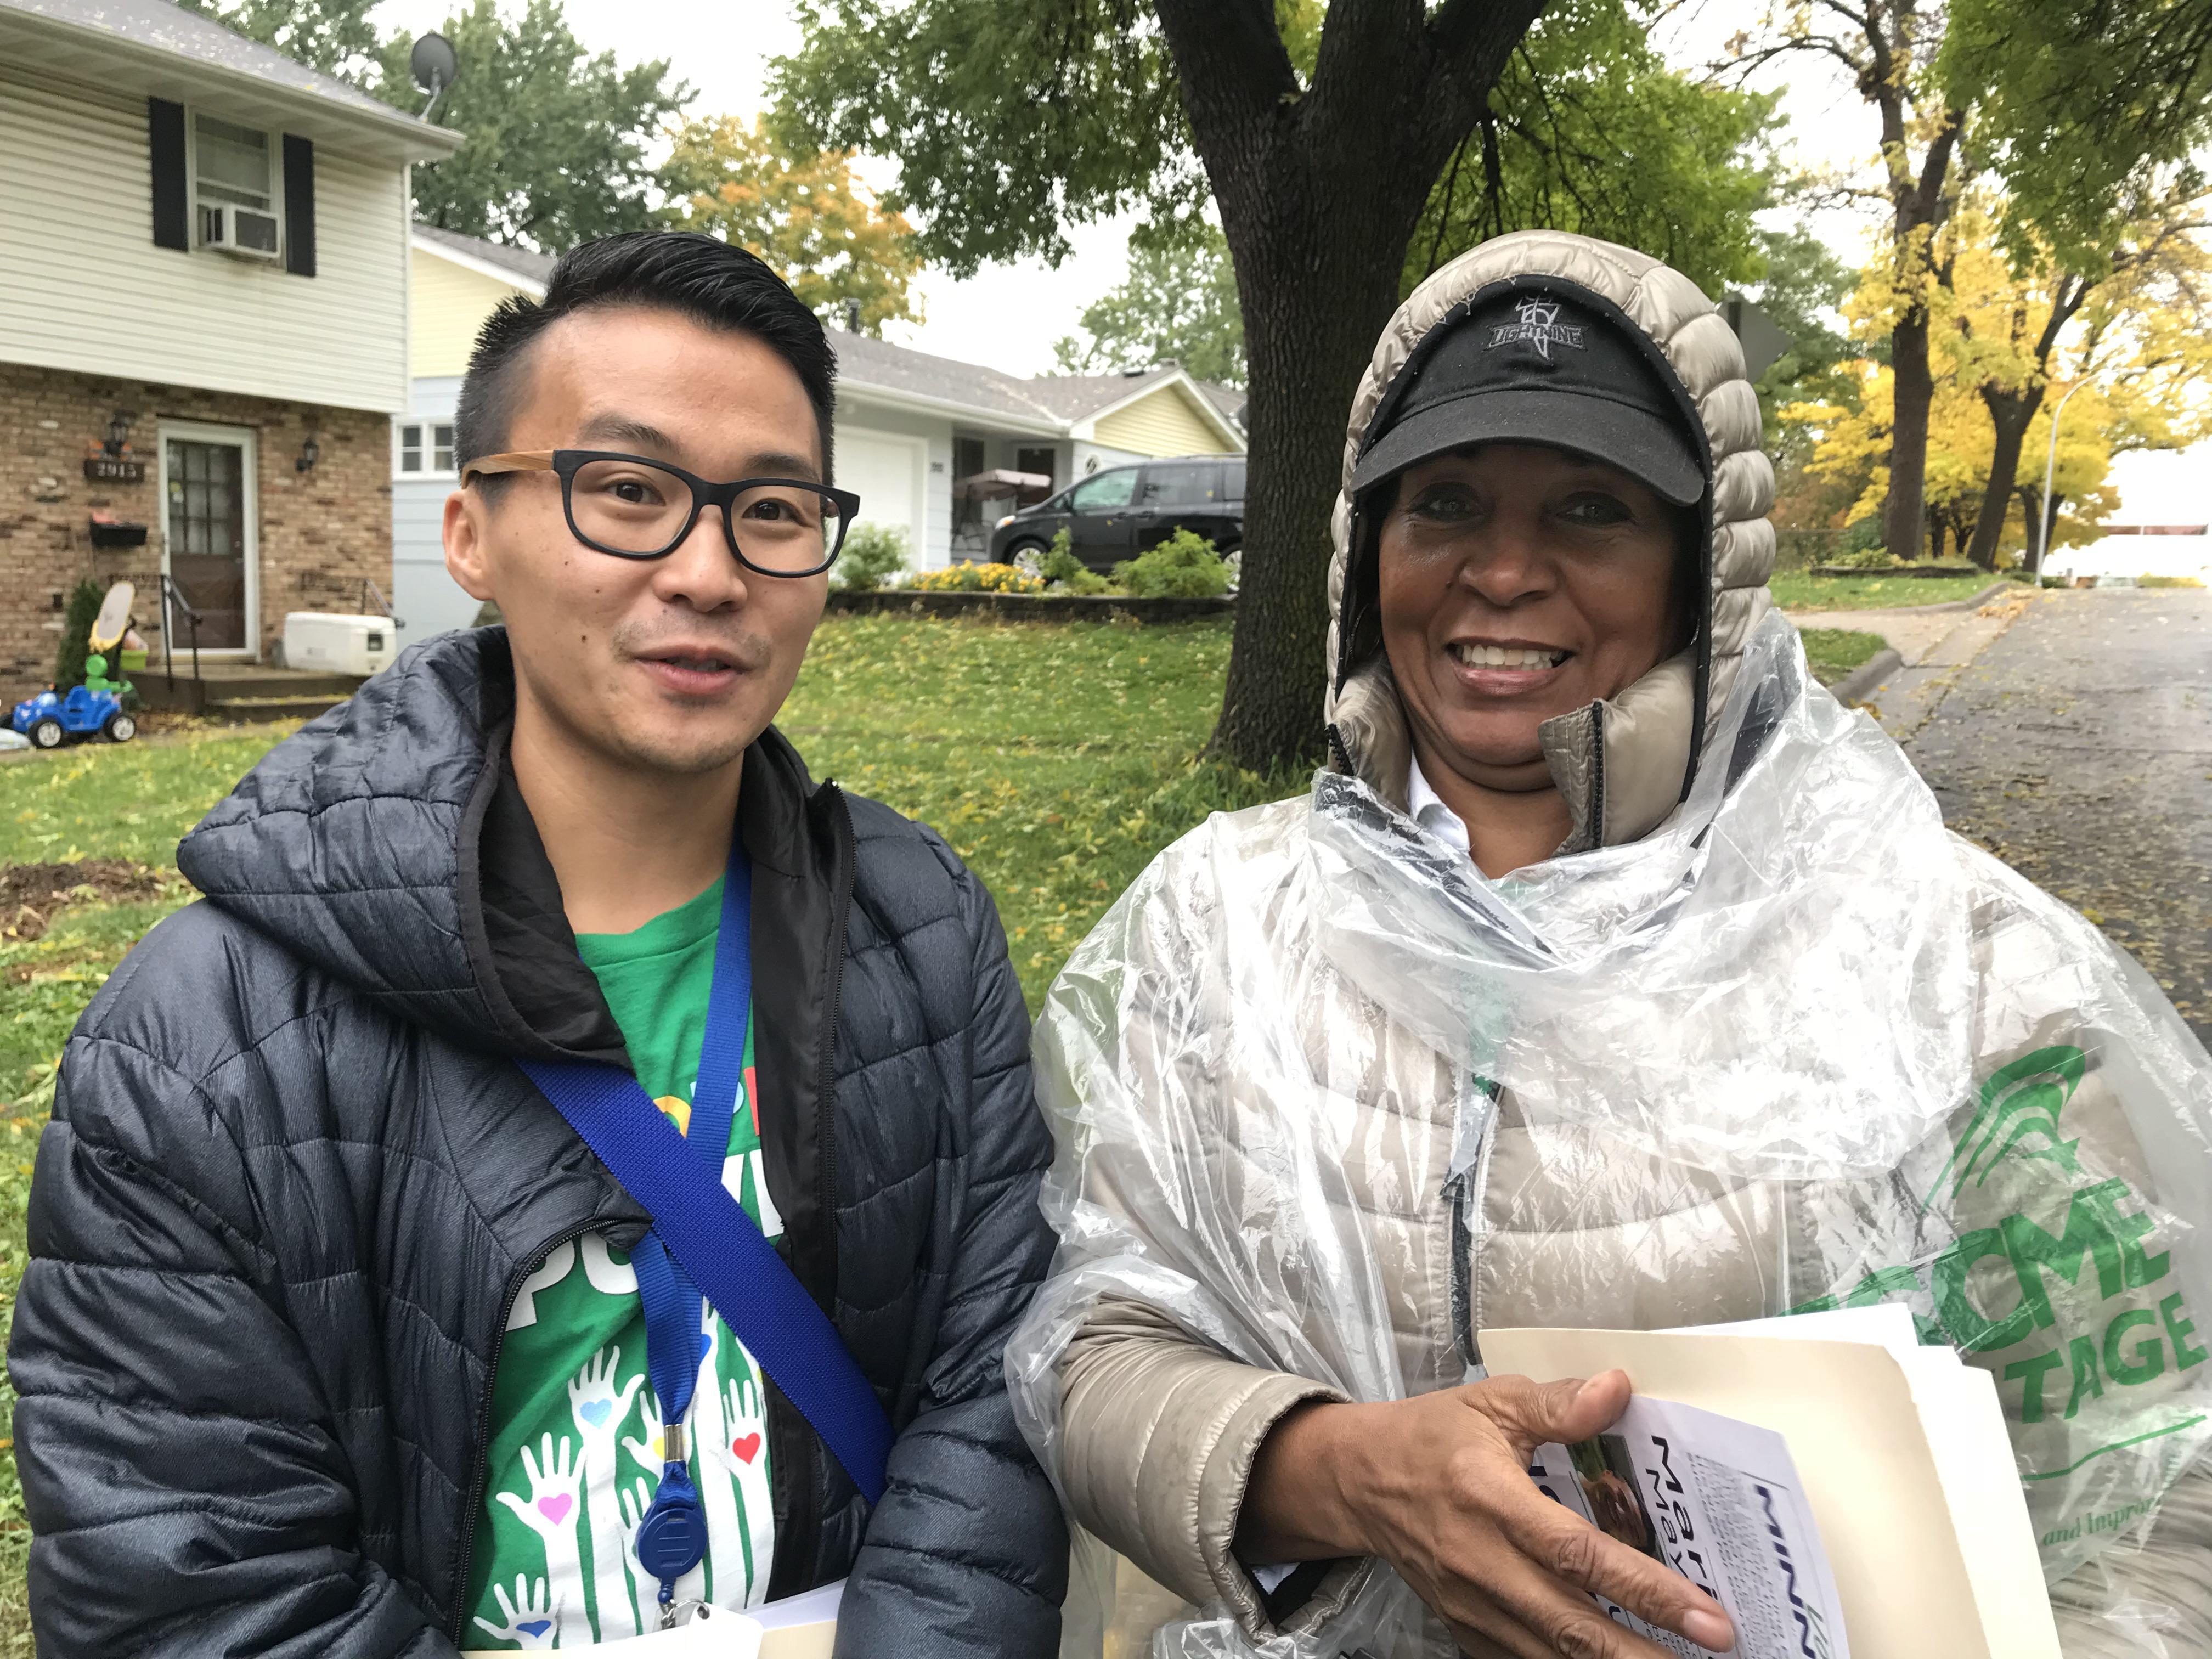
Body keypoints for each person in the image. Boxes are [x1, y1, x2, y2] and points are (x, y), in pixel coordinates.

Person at [1006, 229, 2212, 1659]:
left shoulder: (1948, 966)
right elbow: (1090, 1352)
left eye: (1591, 508)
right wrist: (1348, 1474)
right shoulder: (1218, 929)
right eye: (1444, 500)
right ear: (1365, 546)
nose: (1503, 572)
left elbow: (2153, 1505)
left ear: (1706, 570)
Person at [9, 232, 1066, 1655]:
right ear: (473, 536)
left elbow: (994, 1398)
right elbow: (193, 1598)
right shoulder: (209, 1044)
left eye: (771, 509)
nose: (707, 571)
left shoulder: (923, 932)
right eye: (627, 491)